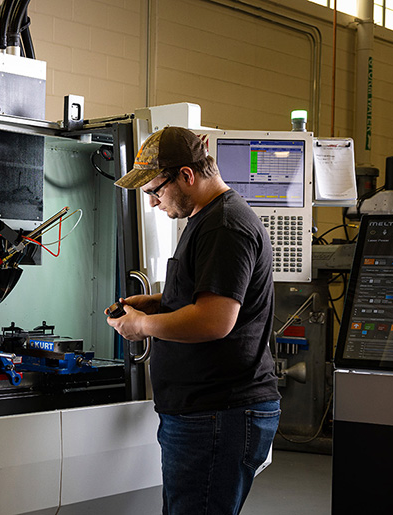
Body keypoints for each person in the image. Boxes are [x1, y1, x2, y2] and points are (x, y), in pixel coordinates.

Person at [107, 127, 281, 515]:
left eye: (156, 190)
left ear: (186, 175)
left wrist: (141, 326)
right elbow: (205, 296)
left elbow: (214, 321)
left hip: (218, 413)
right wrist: (157, 303)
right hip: (205, 413)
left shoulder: (225, 225)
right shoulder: (207, 220)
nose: (152, 203)